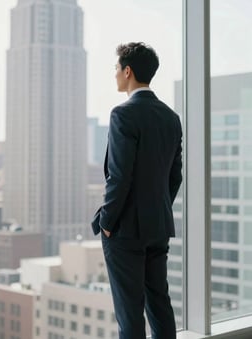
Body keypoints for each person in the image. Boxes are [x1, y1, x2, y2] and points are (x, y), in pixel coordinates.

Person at [91, 42, 182, 339]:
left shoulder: (123, 114)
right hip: (157, 226)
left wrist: (106, 222)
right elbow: (175, 176)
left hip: (125, 230)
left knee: (130, 315)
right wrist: (157, 207)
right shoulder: (170, 117)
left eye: (117, 68)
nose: (115, 74)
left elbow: (119, 177)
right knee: (159, 305)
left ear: (128, 71)